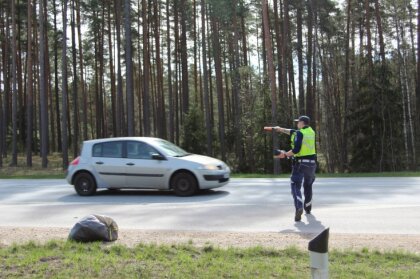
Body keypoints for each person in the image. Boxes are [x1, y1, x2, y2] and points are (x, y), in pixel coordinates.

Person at [274, 116, 317, 222]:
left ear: (302, 123)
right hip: (312, 164)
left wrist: (284, 155)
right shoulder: (311, 132)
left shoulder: (300, 133)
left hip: (300, 164)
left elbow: (296, 150)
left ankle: (299, 207)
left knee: (295, 184)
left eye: (298, 122)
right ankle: (308, 208)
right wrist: (281, 129)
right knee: (308, 186)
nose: (297, 124)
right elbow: (293, 132)